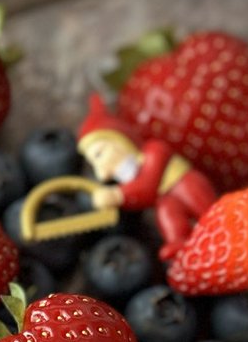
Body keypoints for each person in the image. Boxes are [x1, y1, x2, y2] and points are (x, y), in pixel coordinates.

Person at [77, 93, 218, 259]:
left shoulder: (153, 151)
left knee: (206, 211)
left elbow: (148, 186)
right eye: (93, 162)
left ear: (120, 141)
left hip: (184, 183)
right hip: (164, 199)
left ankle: (219, 223)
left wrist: (118, 195)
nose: (98, 165)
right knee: (167, 216)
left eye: (99, 154)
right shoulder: (129, 176)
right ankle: (180, 244)